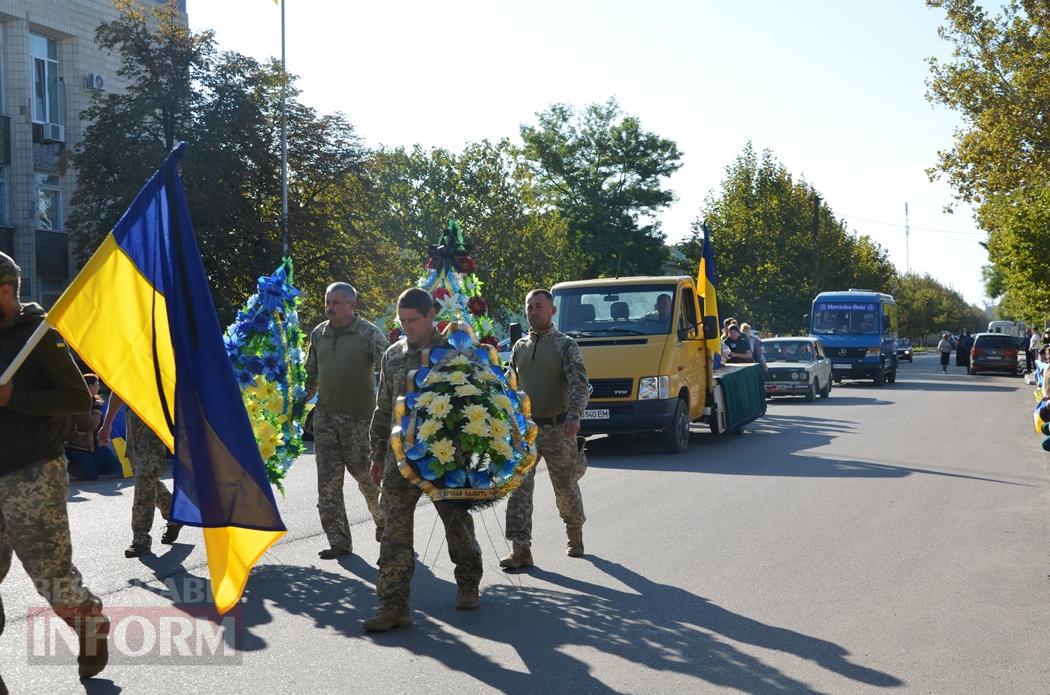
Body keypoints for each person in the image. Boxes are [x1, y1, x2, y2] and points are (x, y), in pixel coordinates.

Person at [0, 252, 108, 681]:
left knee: (52, 578)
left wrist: (15, 399)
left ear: (5, 291)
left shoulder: (40, 335)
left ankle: (89, 622)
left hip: (32, 475)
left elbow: (78, 399)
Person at [364, 288, 483, 632]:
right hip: (400, 456)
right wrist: (377, 453)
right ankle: (393, 604)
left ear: (432, 315)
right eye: (402, 322)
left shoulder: (454, 352)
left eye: (413, 321)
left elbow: (475, 403)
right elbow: (383, 407)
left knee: (457, 524)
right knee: (393, 530)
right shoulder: (392, 355)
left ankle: (467, 580)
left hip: (445, 455)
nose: (407, 328)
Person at [500, 289, 590, 571]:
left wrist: (574, 416)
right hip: (527, 430)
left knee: (565, 486)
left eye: (539, 306)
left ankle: (574, 534)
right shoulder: (520, 347)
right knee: (518, 488)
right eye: (529, 307)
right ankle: (520, 548)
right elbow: (510, 383)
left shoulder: (566, 345)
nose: (533, 312)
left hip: (559, 428)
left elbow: (579, 384)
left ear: (552, 311)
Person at [304, 282, 387, 559]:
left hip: (359, 421)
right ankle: (339, 540)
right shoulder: (319, 334)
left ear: (352, 305)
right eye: (328, 301)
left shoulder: (369, 334)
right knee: (328, 485)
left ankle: (384, 523)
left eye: (337, 303)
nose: (330, 307)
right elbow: (310, 377)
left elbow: (390, 370)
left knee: (368, 479)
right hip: (325, 420)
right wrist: (293, 404)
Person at [99, 393, 182, 557]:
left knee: (145, 475)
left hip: (156, 418)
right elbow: (119, 386)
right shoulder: (129, 366)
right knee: (144, 478)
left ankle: (140, 537)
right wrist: (107, 423)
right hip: (134, 419)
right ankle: (174, 512)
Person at [64, 374, 121, 481]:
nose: (99, 387)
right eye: (97, 384)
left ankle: (92, 465)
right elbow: (92, 425)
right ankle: (66, 467)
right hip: (77, 447)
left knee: (116, 470)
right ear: (89, 387)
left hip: (94, 446)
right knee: (90, 475)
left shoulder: (94, 402)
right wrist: (97, 408)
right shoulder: (80, 403)